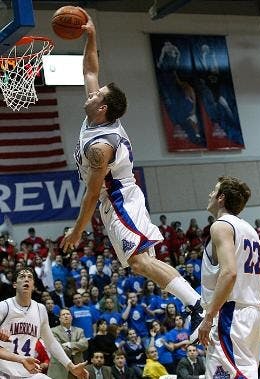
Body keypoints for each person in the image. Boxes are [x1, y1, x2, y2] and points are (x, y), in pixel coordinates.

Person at [60, 9, 203, 342]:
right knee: (143, 264)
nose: (91, 93)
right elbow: (91, 68)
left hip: (120, 201)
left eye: (96, 95)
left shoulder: (101, 146)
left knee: (138, 262)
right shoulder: (96, 119)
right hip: (120, 201)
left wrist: (77, 231)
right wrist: (91, 35)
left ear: (104, 108)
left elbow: (93, 194)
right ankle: (193, 304)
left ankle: (197, 304)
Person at [198, 176, 260, 378]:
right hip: (251, 314)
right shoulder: (249, 230)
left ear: (221, 198)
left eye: (214, 190)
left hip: (230, 313)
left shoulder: (220, 226)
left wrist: (209, 316)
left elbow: (229, 273)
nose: (210, 194)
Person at [0, 268, 88, 379]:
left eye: (30, 277)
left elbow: (51, 342)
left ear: (33, 285)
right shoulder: (4, 306)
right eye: (22, 276)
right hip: (3, 370)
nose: (26, 279)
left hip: (27, 372)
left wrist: (71, 366)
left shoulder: (40, 309)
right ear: (14, 284)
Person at [47, 308, 88, 379]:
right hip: (60, 368)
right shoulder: (53, 331)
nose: (66, 316)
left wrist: (69, 344)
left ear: (71, 317)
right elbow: (59, 348)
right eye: (63, 314)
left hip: (77, 367)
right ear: (59, 318)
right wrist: (76, 349)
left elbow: (84, 345)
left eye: (68, 314)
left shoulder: (79, 330)